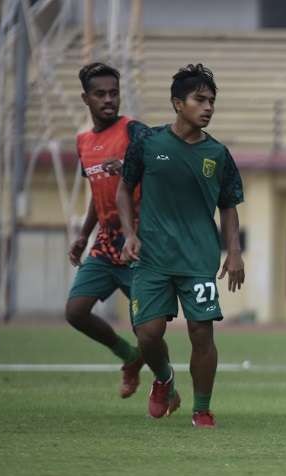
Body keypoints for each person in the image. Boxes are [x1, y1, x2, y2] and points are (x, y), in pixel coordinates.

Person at [116, 64, 245, 428]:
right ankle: (164, 381)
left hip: (198, 259)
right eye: (199, 100)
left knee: (201, 332)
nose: (208, 107)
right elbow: (125, 188)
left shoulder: (218, 155)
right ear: (177, 103)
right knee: (148, 333)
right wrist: (129, 233)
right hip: (152, 257)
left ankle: (202, 409)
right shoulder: (148, 144)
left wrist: (233, 250)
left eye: (212, 101)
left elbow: (229, 205)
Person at [66, 62, 149, 399]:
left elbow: (159, 169)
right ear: (86, 98)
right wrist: (84, 235)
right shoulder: (83, 141)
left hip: (139, 240)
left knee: (148, 329)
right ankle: (128, 357)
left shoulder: (133, 130)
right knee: (75, 312)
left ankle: (165, 385)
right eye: (100, 94)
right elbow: (97, 192)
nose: (109, 100)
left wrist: (130, 166)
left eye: (114, 93)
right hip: (104, 242)